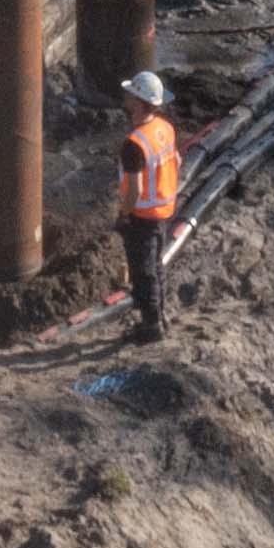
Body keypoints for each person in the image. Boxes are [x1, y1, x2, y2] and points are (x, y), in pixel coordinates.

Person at [113, 67, 184, 342]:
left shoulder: (134, 144)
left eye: (131, 94)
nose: (126, 96)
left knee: (143, 271)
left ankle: (151, 325)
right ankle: (159, 314)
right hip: (163, 210)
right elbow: (176, 161)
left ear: (140, 102)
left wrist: (124, 214)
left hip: (143, 215)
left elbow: (135, 189)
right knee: (155, 265)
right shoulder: (164, 128)